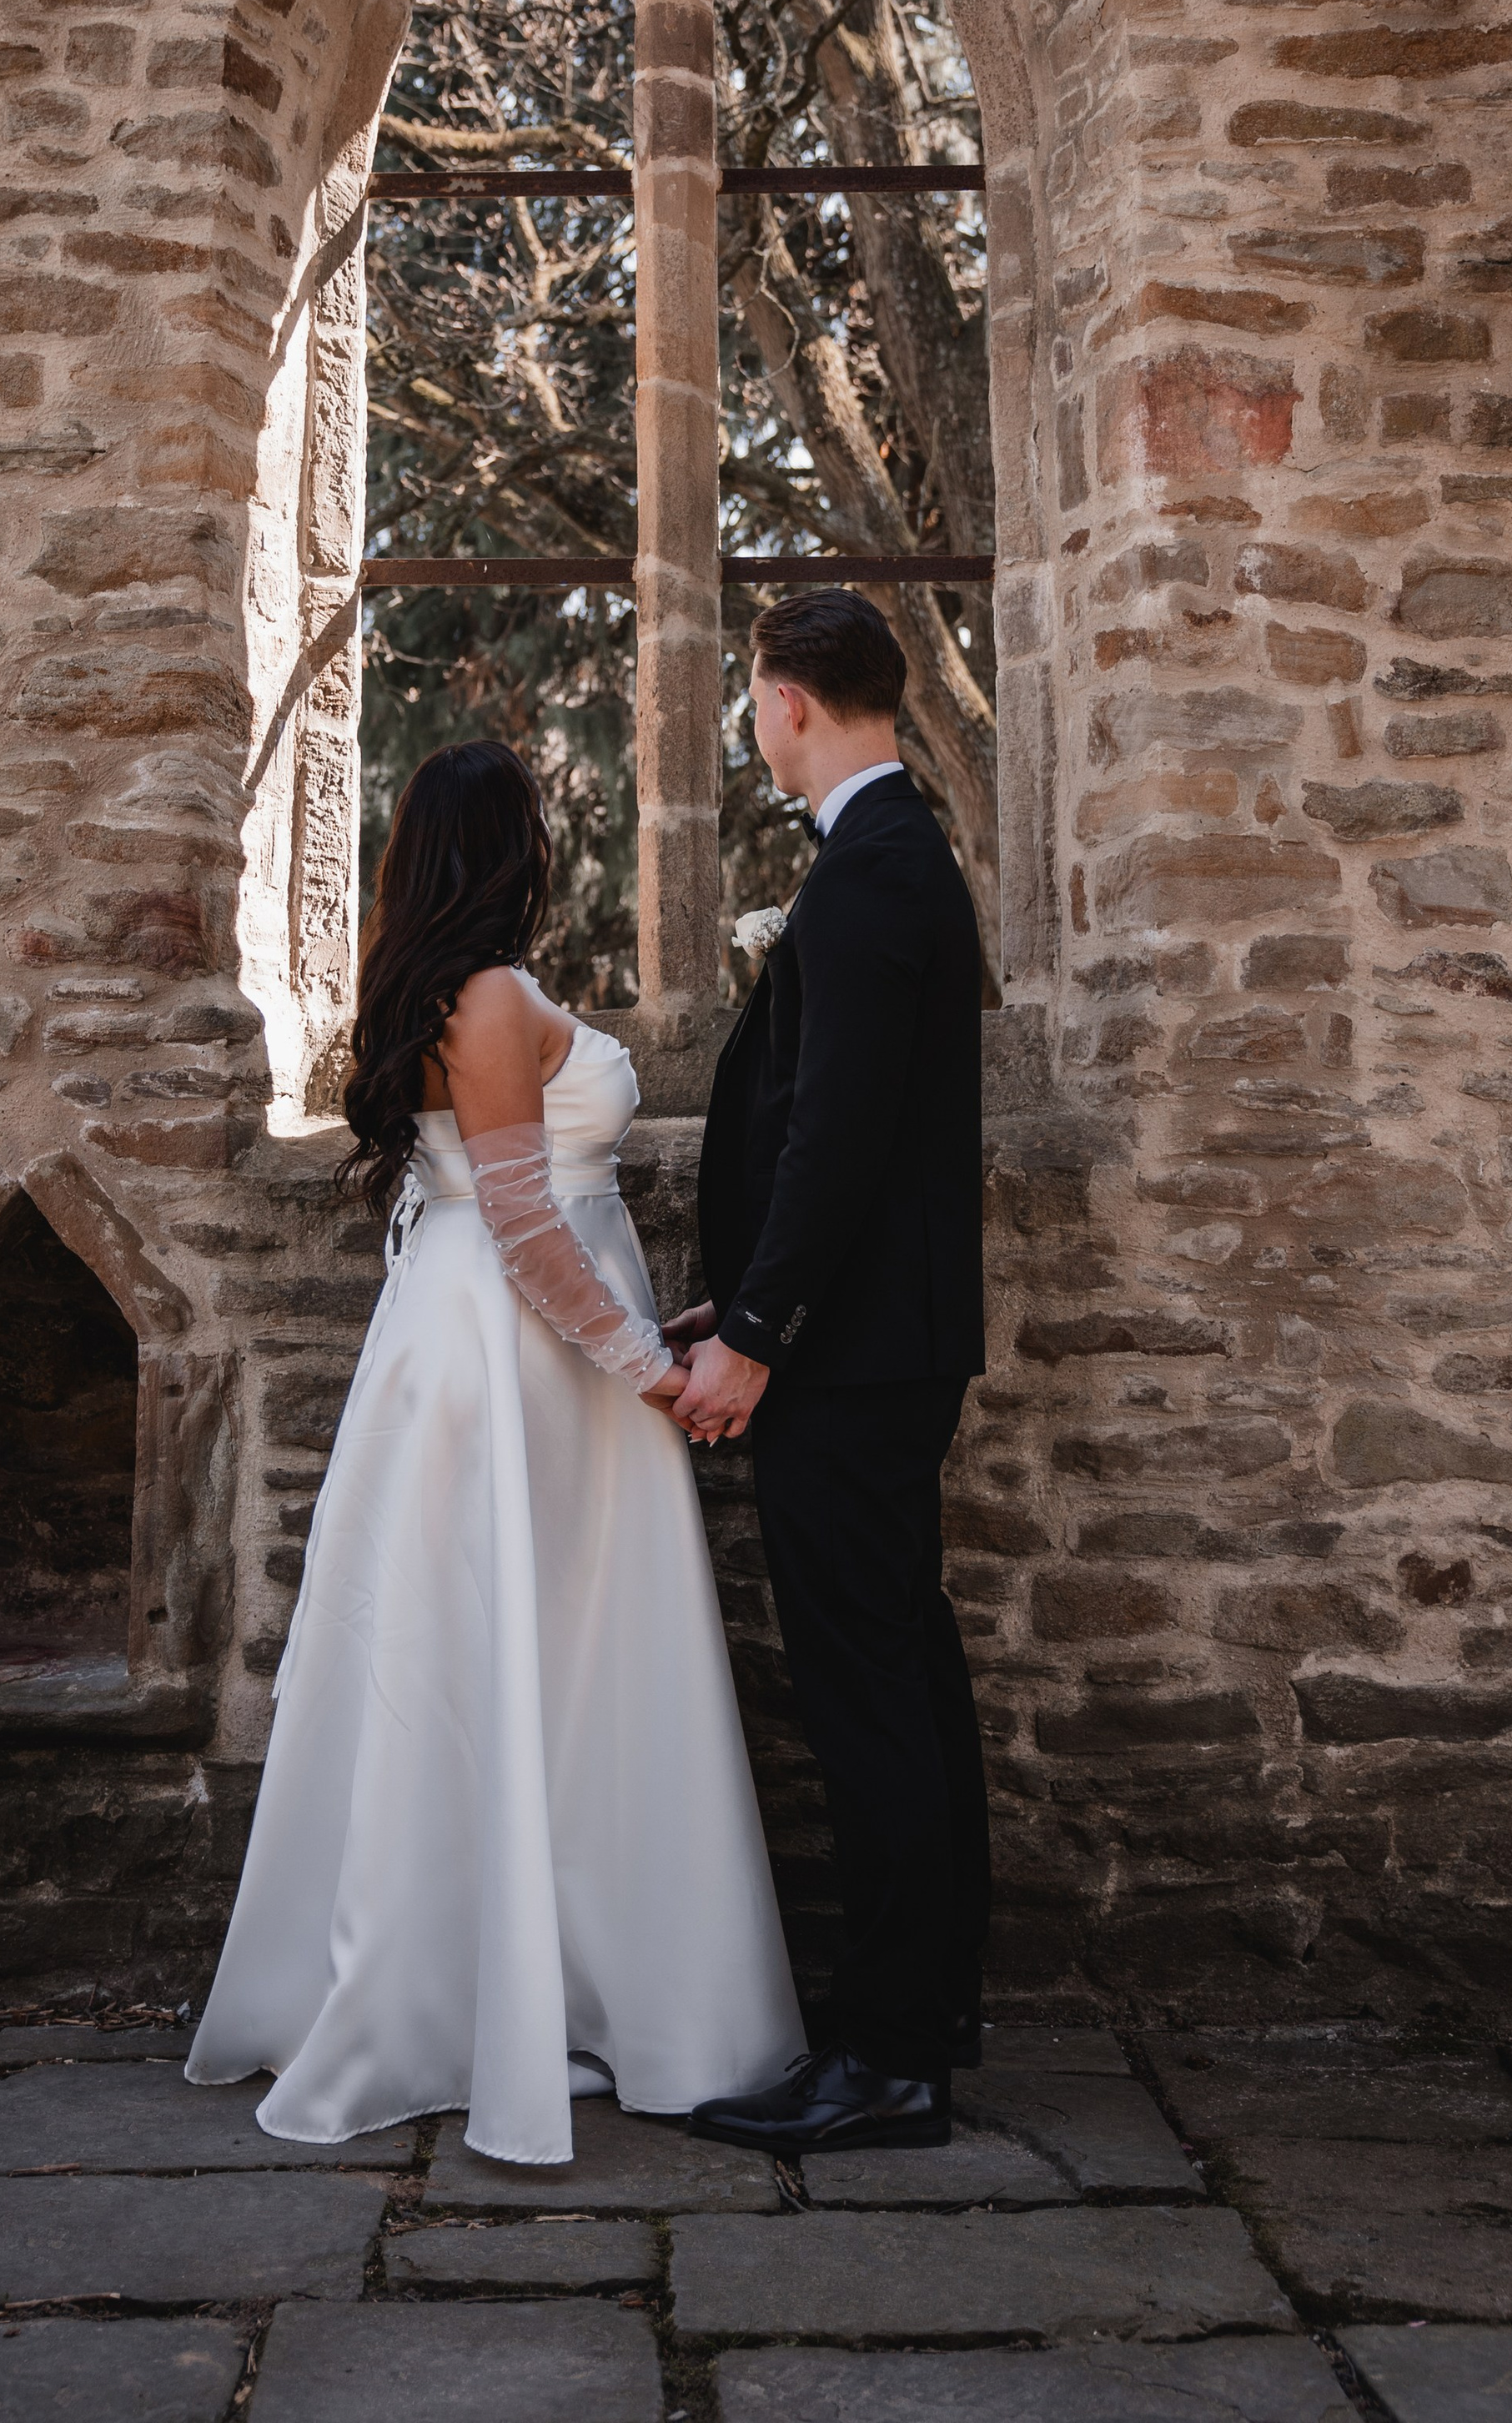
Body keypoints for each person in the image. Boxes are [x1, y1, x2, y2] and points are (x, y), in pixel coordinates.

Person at [187, 740, 800, 2164]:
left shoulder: (455, 991)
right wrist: (646, 1362)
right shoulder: (486, 997)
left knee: (551, 1664)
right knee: (510, 1657)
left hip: (506, 1347)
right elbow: (525, 1226)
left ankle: (560, 1982)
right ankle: (487, 1995)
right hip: (524, 1358)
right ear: (506, 849)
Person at [665, 589, 988, 2157]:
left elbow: (837, 1142)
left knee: (867, 1697)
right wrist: (737, 1302)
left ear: (786, 701)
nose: (752, 725)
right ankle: (934, 2011)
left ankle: (890, 2056)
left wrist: (756, 1340)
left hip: (849, 1369)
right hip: (869, 1348)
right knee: (907, 1675)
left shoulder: (870, 879)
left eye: (752, 700)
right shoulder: (891, 858)